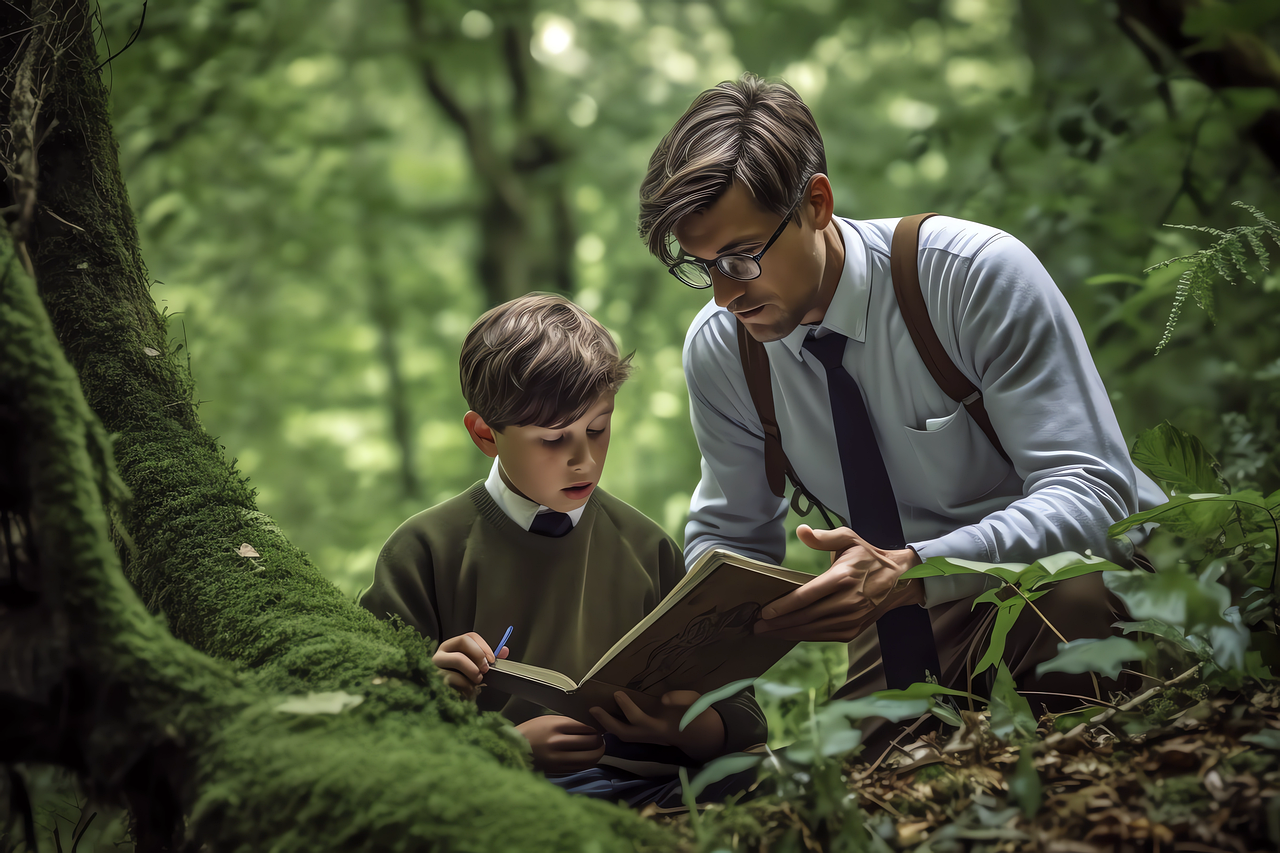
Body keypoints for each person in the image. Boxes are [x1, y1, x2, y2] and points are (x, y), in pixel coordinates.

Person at [636, 75, 1166, 725]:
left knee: (1070, 619)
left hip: (1073, 577)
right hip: (908, 620)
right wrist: (690, 674)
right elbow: (731, 533)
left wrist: (916, 567)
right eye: (701, 265)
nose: (724, 294)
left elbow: (1094, 494)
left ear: (817, 203)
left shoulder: (969, 277)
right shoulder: (724, 352)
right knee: (842, 792)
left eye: (742, 258)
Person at [359, 293, 766, 807]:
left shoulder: (646, 547)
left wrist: (687, 726)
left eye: (598, 429)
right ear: (486, 434)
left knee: (792, 780)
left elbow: (743, 719)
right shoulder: (425, 551)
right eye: (553, 440)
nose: (584, 460)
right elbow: (375, 718)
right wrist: (504, 746)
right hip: (515, 797)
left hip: (666, 789)